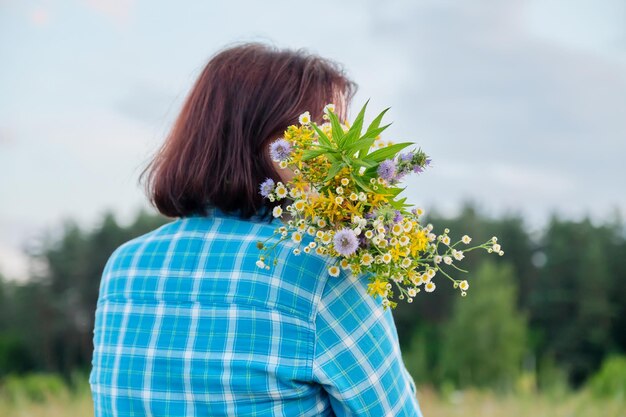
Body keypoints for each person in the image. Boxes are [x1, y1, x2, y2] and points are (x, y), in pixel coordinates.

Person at [89, 41, 424, 417]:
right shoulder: (318, 272)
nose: (342, 157)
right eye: (327, 136)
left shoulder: (124, 268)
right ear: (278, 146)